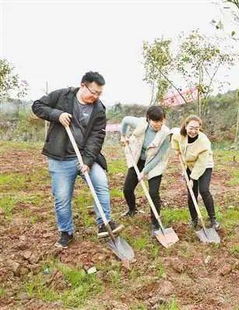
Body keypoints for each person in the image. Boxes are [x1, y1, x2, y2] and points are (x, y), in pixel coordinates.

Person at [32, 71, 123, 248]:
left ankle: (104, 223)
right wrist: (56, 114)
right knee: (62, 196)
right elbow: (37, 106)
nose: (95, 96)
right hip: (61, 157)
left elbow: (97, 137)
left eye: (99, 93)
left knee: (101, 183)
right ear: (83, 85)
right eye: (93, 92)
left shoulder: (99, 109)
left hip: (86, 156)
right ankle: (66, 232)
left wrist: (88, 161)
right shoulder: (62, 96)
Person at [120, 106, 171, 232]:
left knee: (153, 193)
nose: (158, 124)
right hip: (138, 158)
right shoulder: (141, 123)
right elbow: (125, 120)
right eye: (155, 121)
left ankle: (155, 222)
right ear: (148, 119)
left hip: (155, 163)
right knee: (127, 189)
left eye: (161, 121)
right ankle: (132, 209)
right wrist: (123, 135)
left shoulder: (166, 134)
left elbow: (158, 157)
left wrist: (144, 171)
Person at [171, 115, 220, 230]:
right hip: (189, 165)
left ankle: (213, 219)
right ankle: (194, 219)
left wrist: (193, 179)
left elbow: (201, 163)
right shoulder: (179, 134)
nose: (193, 131)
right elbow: (174, 139)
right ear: (186, 125)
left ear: (199, 128)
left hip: (205, 165)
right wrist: (177, 150)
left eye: (196, 129)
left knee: (204, 190)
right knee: (192, 193)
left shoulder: (204, 141)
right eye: (191, 128)